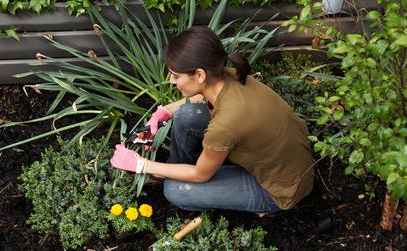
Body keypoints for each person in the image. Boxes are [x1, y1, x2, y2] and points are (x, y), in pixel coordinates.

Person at [110, 26, 314, 216]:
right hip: (291, 160)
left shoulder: (225, 125)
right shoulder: (230, 75)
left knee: (174, 190)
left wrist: (141, 165)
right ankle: (175, 169)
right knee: (186, 114)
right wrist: (164, 112)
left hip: (279, 189)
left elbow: (201, 175)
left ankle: (266, 208)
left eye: (175, 76)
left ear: (199, 74)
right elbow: (202, 96)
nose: (172, 81)